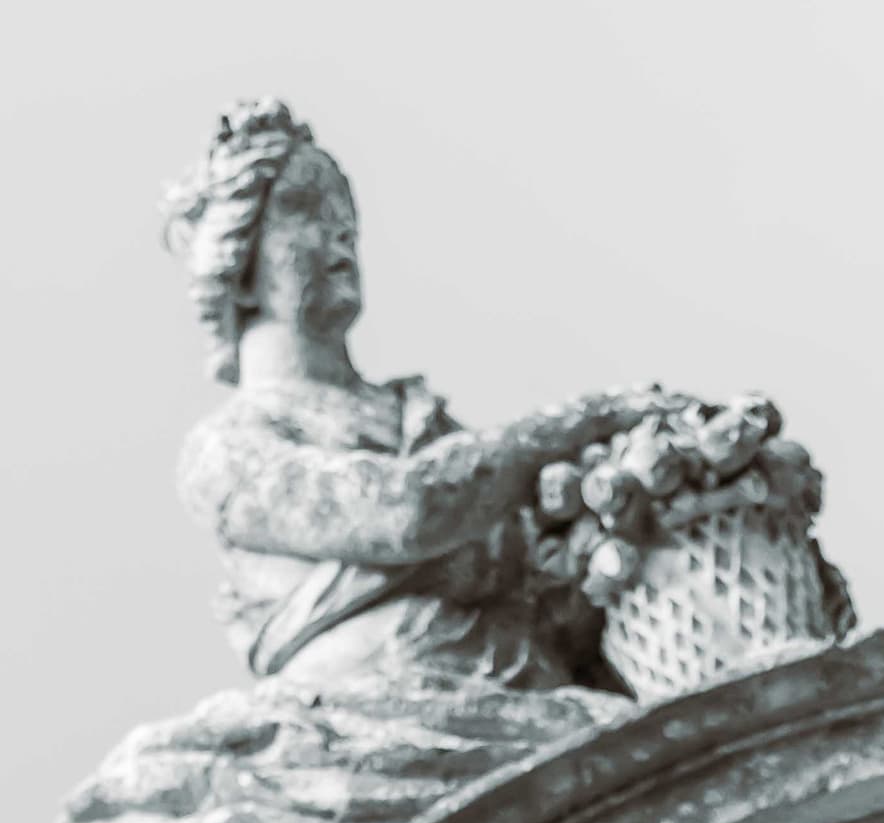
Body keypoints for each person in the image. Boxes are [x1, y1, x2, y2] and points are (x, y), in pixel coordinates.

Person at [159, 98, 632, 702]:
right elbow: (403, 513)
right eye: (304, 208)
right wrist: (581, 425)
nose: (339, 230)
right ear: (235, 262)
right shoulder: (225, 450)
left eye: (344, 210)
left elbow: (542, 588)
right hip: (373, 713)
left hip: (525, 699)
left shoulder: (426, 424)